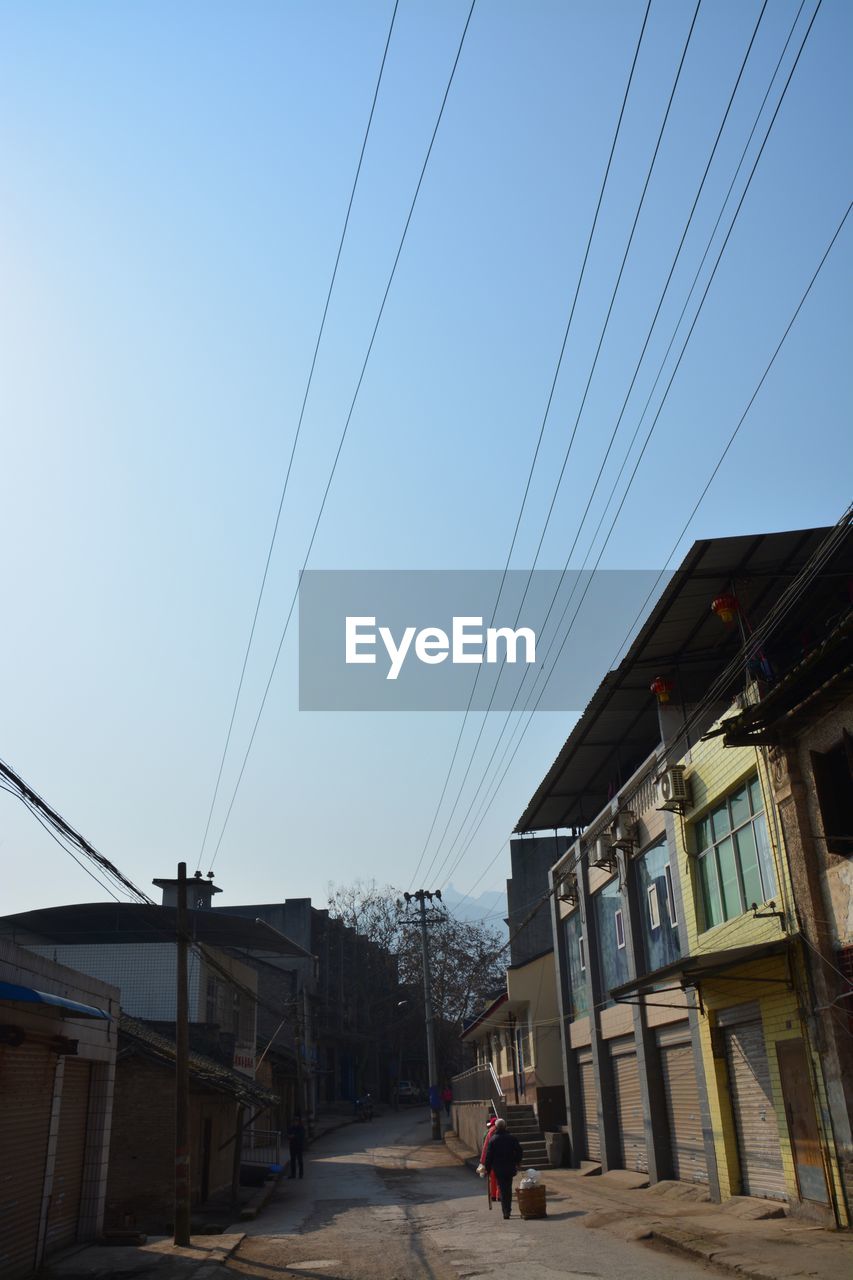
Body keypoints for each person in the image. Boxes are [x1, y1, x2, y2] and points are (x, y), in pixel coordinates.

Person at [483, 1118, 522, 1219]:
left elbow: (489, 1156)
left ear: (496, 1127)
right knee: (508, 1188)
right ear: (505, 1126)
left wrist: (487, 1168)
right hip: (509, 1167)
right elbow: (519, 1151)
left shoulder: (493, 1139)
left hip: (498, 1169)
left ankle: (505, 1211)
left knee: (502, 1188)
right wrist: (517, 1161)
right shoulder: (512, 1138)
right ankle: (507, 1209)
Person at [478, 1114, 499, 1207]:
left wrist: (483, 1161)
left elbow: (485, 1147)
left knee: (493, 1178)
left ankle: (494, 1195)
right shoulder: (503, 1131)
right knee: (500, 1178)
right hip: (501, 1159)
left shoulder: (489, 1132)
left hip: (492, 1159)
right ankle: (499, 1195)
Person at [287, 1112, 306, 1179]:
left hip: (299, 1146)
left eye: (296, 1121)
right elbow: (288, 1135)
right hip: (292, 1146)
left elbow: (301, 1136)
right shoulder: (291, 1128)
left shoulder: (301, 1128)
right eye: (294, 1121)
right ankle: (293, 1174)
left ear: (298, 1122)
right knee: (293, 1161)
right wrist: (290, 1136)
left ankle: (301, 1174)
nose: (295, 1123)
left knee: (300, 1161)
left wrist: (294, 1136)